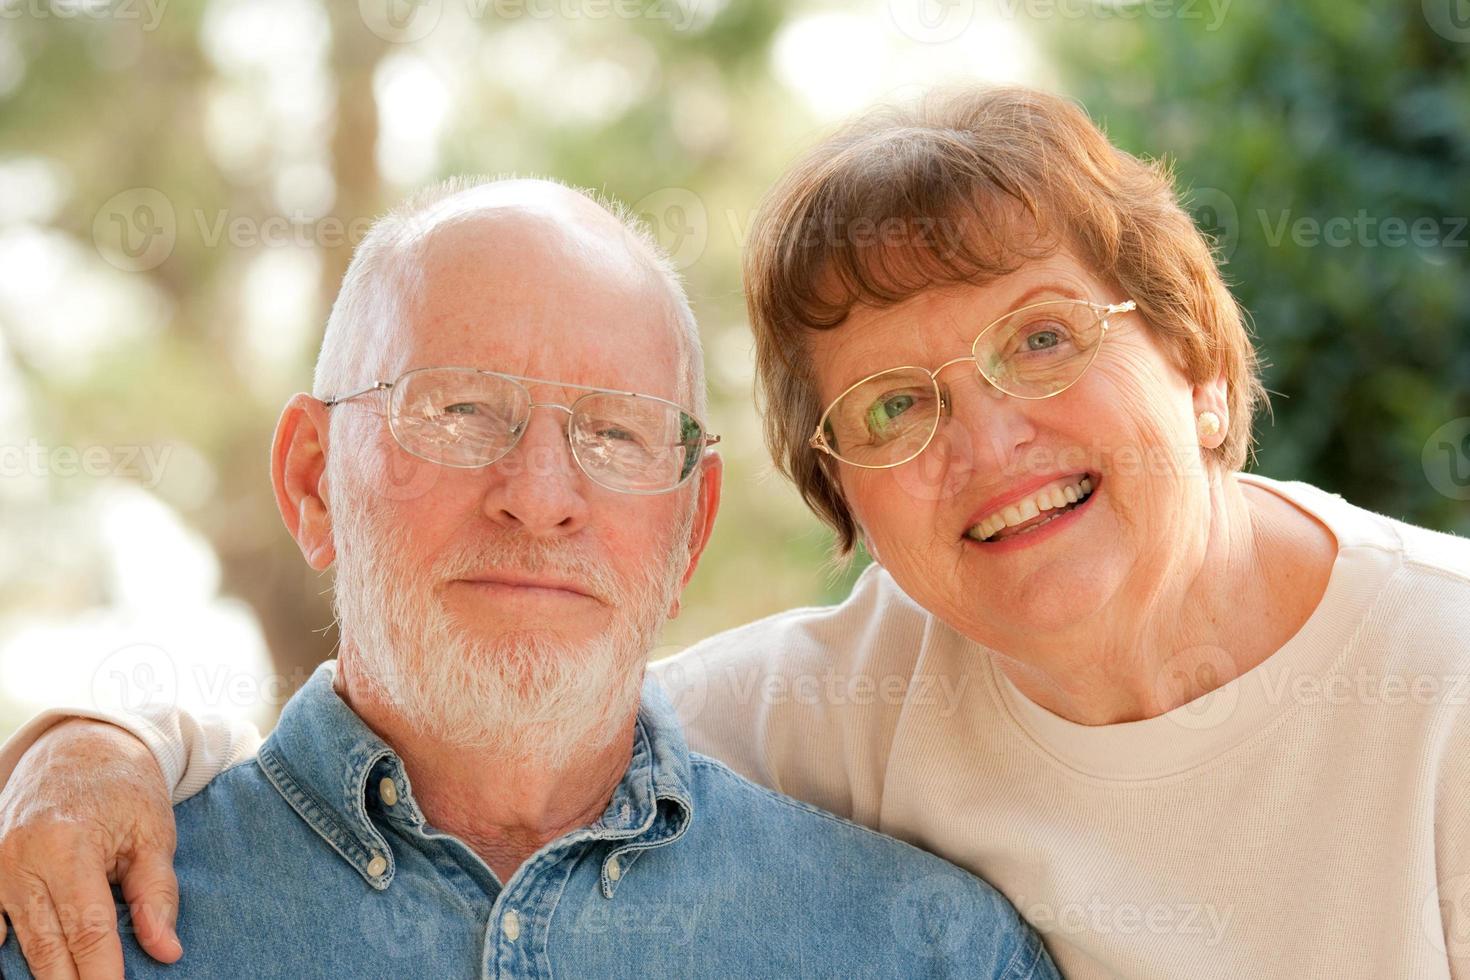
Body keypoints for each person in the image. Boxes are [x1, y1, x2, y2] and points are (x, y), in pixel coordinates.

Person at [5, 85, 1470, 978]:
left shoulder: (1438, 688)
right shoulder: (813, 706)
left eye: (1041, 341)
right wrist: (89, 743)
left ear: (1200, 370)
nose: (541, 494)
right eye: (892, 409)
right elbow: (495, 713)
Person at [0, 176, 1057, 980]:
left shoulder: (931, 950)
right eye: (462, 410)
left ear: (690, 532)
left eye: (616, 431)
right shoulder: (69, 926)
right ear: (314, 481)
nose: (541, 493)